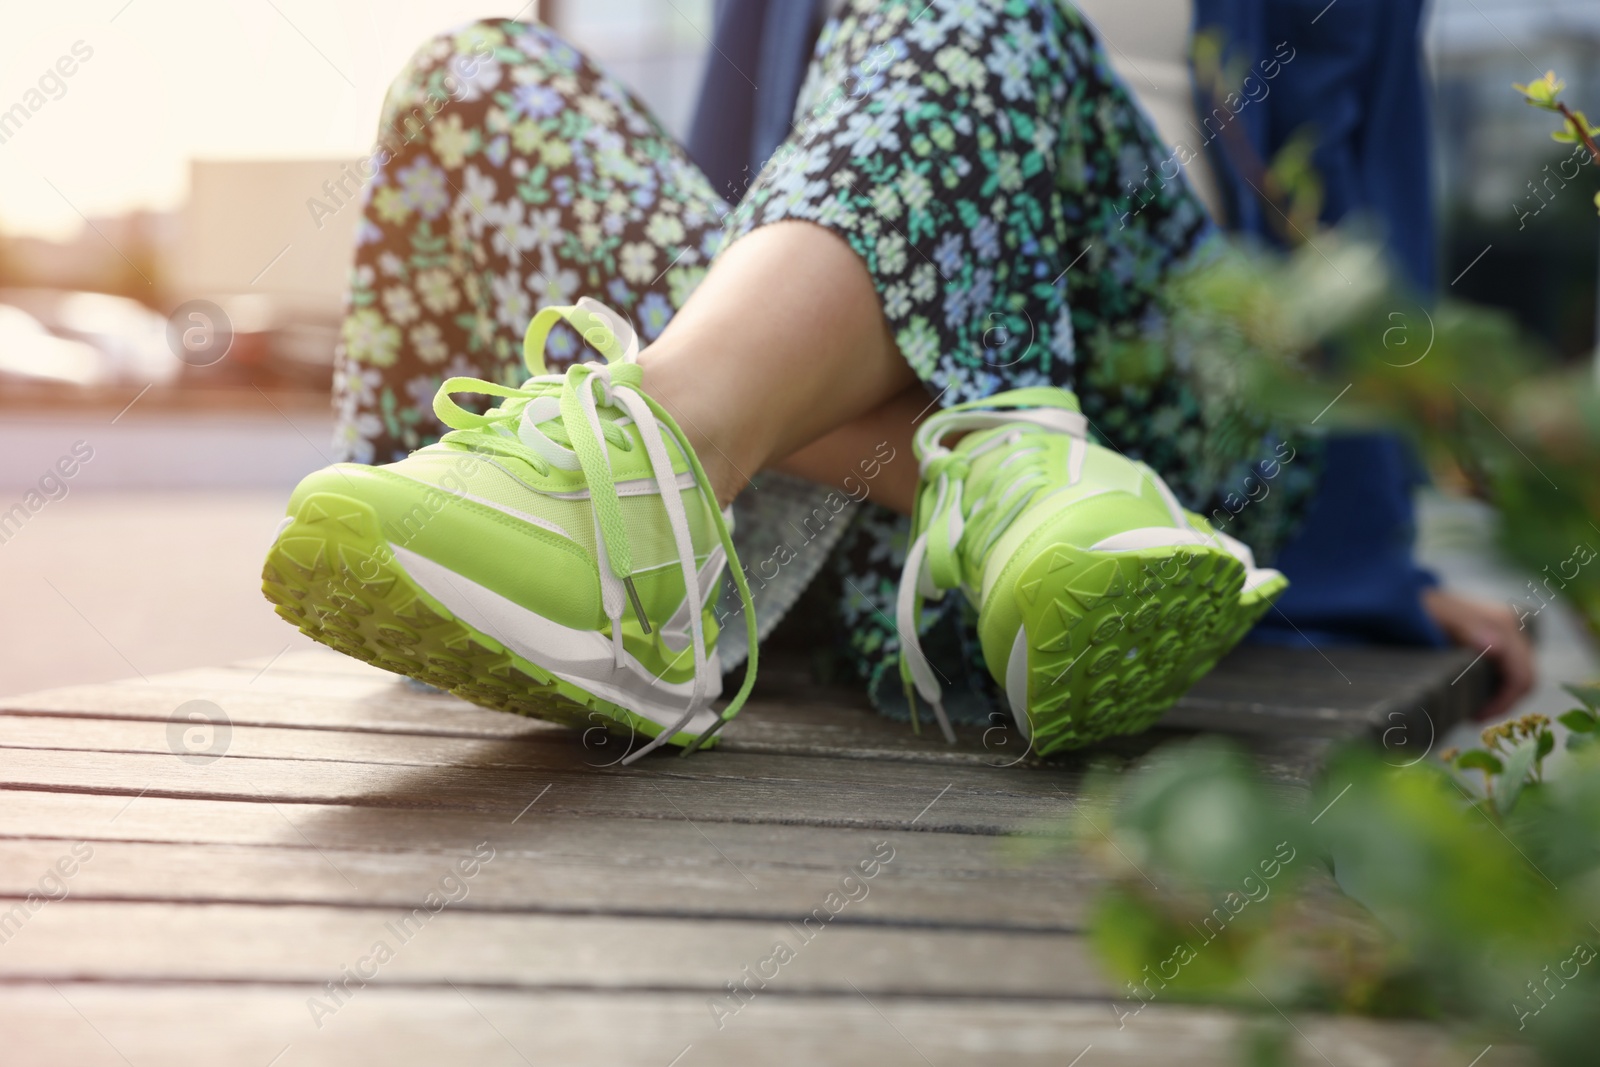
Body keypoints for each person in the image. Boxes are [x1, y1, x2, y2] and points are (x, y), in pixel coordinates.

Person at [260, 0, 1521, 765]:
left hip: (1171, 392)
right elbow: (764, 161)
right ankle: (983, 478)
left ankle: (663, 484)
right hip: (867, 432)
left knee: (970, 9)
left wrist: (1377, 563)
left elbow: (1361, 225)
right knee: (472, 78)